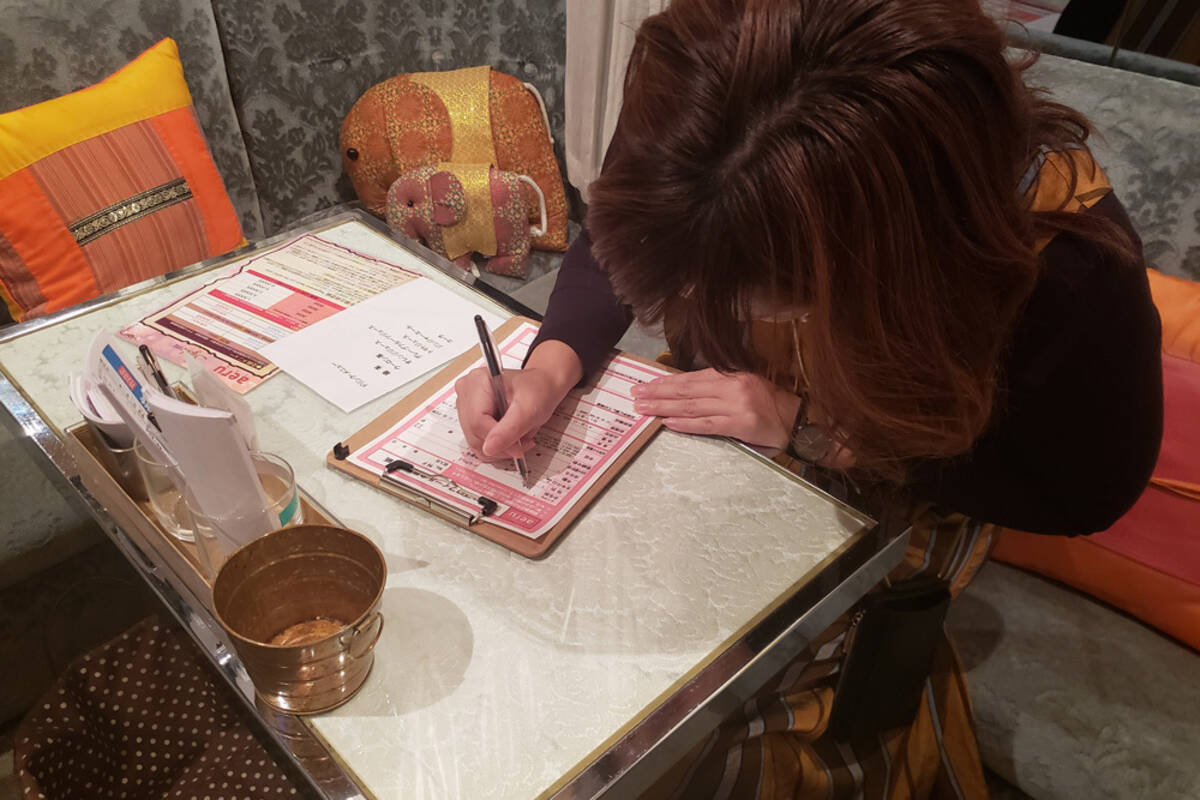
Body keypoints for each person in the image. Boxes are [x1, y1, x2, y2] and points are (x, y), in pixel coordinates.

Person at [456, 0, 1163, 796]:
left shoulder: (1066, 266)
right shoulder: (703, 98)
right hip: (715, 415)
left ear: (889, 257)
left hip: (911, 473)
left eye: (754, 296)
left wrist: (809, 425)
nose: (701, 304)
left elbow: (1085, 492)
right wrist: (552, 365)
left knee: (685, 713)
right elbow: (625, 237)